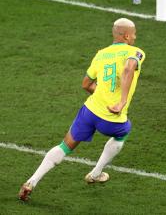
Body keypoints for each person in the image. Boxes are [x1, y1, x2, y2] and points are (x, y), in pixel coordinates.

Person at [18, 18, 145, 201]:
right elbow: (128, 68)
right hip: (112, 116)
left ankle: (31, 181)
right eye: (134, 33)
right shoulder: (136, 52)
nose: (135, 36)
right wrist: (122, 101)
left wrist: (101, 91)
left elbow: (86, 84)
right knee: (123, 132)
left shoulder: (101, 54)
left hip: (90, 111)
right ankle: (96, 173)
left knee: (64, 146)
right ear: (126, 35)